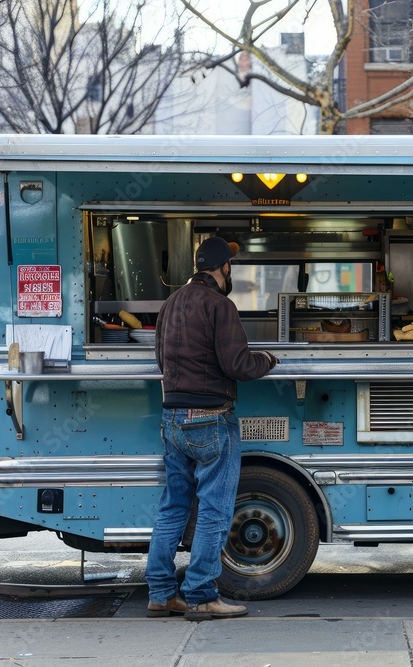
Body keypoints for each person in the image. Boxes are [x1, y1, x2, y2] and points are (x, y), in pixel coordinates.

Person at [145, 237, 278, 621]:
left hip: (171, 419)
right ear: (224, 269)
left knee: (172, 508)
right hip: (209, 418)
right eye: (230, 266)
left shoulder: (170, 304)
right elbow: (238, 364)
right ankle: (202, 595)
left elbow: (159, 359)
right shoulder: (220, 305)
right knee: (215, 511)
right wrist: (268, 359)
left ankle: (161, 593)